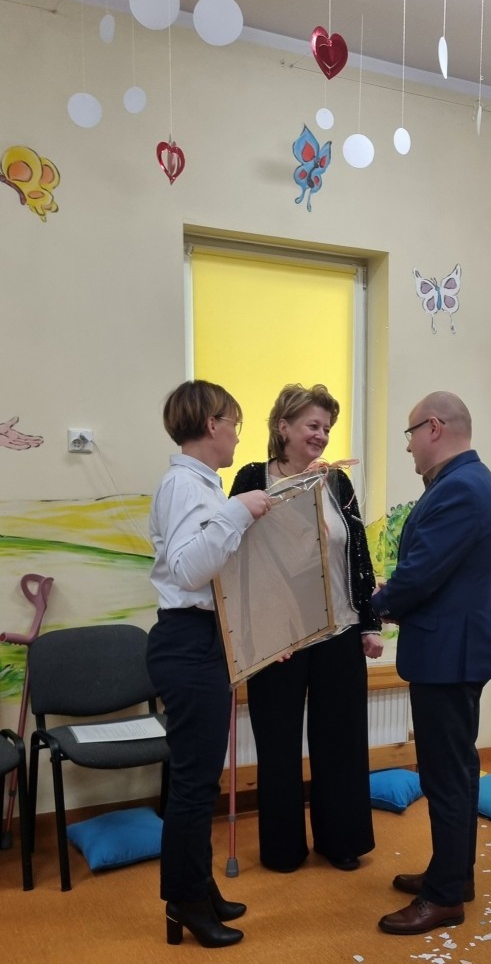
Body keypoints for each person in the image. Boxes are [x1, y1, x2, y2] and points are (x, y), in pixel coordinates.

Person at [229, 383, 383, 874]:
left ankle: (341, 841)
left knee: (341, 739)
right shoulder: (253, 477)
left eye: (327, 428)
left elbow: (357, 552)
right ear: (284, 427)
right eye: (313, 425)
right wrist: (252, 630)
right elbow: (236, 557)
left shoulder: (337, 481)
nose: (321, 435)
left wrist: (370, 622)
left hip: (338, 627)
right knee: (277, 743)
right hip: (278, 635)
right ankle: (283, 848)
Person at [372, 392, 491, 936]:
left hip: (449, 656)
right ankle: (453, 874)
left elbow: (421, 573)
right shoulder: (462, 482)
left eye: (409, 435)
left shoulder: (461, 489)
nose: (407, 448)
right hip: (450, 651)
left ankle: (446, 896)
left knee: (447, 776)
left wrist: (376, 604)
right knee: (454, 771)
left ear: (433, 428)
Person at [146, 380, 273, 948]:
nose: (238, 436)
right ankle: (186, 900)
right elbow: (189, 570)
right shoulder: (184, 486)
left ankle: (199, 886)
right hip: (187, 641)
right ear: (211, 424)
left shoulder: (202, 485)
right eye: (234, 424)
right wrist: (238, 513)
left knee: (201, 779)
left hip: (205, 639)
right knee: (195, 785)